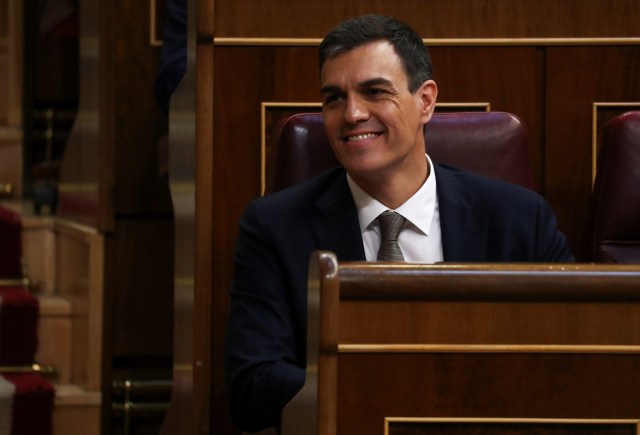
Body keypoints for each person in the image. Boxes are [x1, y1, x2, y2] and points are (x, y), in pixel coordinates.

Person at [225, 14, 574, 433]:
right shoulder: (274, 227)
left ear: (425, 100)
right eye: (334, 98)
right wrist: (401, 390)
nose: (352, 114)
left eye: (374, 92)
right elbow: (252, 387)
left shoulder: (521, 219)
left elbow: (568, 368)